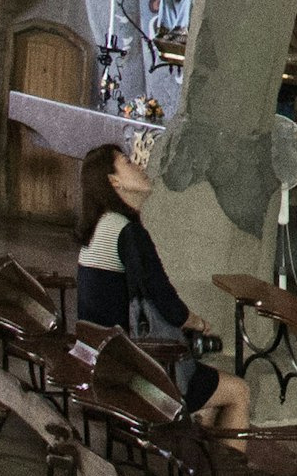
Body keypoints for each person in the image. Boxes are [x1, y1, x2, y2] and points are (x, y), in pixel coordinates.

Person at [76, 143, 248, 429]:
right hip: (134, 375)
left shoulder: (100, 227)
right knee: (239, 391)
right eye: (128, 162)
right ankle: (228, 472)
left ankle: (196, 467)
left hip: (104, 362)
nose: (140, 166)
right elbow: (166, 302)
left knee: (206, 403)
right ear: (113, 181)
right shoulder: (128, 233)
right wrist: (197, 322)